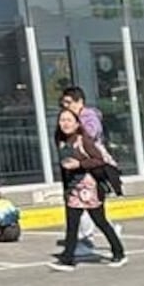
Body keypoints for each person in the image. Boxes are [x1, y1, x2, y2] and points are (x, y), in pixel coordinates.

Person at [48, 108, 126, 271]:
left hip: (89, 187)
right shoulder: (61, 142)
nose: (65, 123)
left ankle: (119, 252)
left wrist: (80, 164)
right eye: (62, 120)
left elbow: (99, 159)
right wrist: (66, 189)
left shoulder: (84, 140)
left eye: (69, 120)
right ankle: (68, 259)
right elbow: (64, 169)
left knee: (100, 221)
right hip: (73, 188)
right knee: (72, 224)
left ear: (77, 124)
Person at [59, 86, 120, 259]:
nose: (66, 106)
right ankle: (69, 255)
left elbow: (92, 135)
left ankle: (116, 248)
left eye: (69, 102)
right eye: (63, 103)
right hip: (77, 180)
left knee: (97, 217)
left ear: (80, 102)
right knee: (75, 218)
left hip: (90, 177)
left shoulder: (87, 117)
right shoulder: (67, 128)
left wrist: (77, 129)